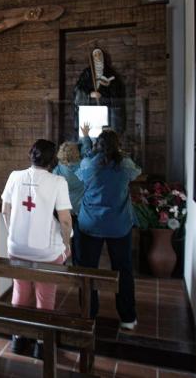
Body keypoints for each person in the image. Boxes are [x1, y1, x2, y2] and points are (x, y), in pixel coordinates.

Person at [1, 139, 73, 358]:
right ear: (53, 159)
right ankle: (42, 342)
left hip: (17, 247)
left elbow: (5, 210)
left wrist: (13, 234)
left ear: (31, 155)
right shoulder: (58, 181)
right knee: (45, 295)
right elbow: (65, 221)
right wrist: (67, 245)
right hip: (46, 251)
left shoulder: (15, 176)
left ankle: (18, 338)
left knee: (20, 291)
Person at [76, 130, 141, 330]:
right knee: (123, 270)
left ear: (97, 144)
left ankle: (89, 314)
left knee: (87, 270)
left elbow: (80, 174)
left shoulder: (88, 164)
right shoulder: (125, 165)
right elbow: (136, 172)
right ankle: (127, 317)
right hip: (119, 224)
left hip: (90, 223)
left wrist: (88, 148)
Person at [53, 141, 84, 265]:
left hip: (62, 210)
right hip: (80, 210)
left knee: (62, 241)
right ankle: (78, 269)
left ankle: (62, 266)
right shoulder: (83, 167)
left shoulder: (58, 170)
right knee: (79, 244)